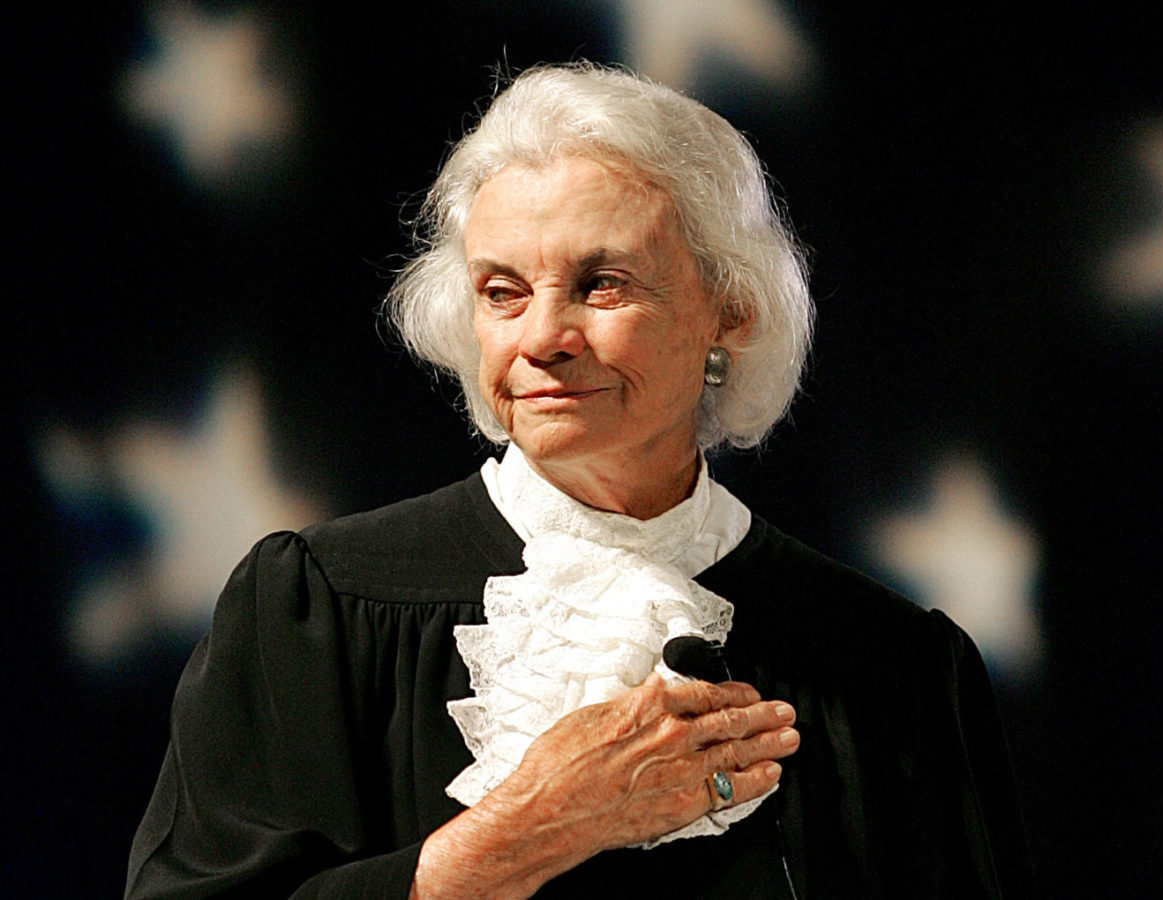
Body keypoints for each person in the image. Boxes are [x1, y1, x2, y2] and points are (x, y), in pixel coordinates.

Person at [125, 62, 1031, 899]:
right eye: (502, 292)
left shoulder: (891, 666)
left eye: (601, 284)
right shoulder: (320, 609)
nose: (543, 338)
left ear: (730, 311)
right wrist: (521, 833)